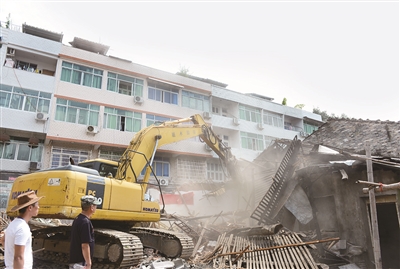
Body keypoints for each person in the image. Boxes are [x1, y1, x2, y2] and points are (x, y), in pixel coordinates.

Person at [4, 191, 44, 269]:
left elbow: (3, 240)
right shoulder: (22, 228)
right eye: (37, 205)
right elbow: (18, 257)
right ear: (30, 208)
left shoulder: (13, 224)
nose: (38, 207)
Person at [69, 195, 101, 269]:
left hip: (76, 260)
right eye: (95, 205)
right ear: (91, 207)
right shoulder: (85, 222)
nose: (96, 207)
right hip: (81, 262)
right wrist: (88, 263)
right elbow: (85, 245)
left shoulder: (78, 219)